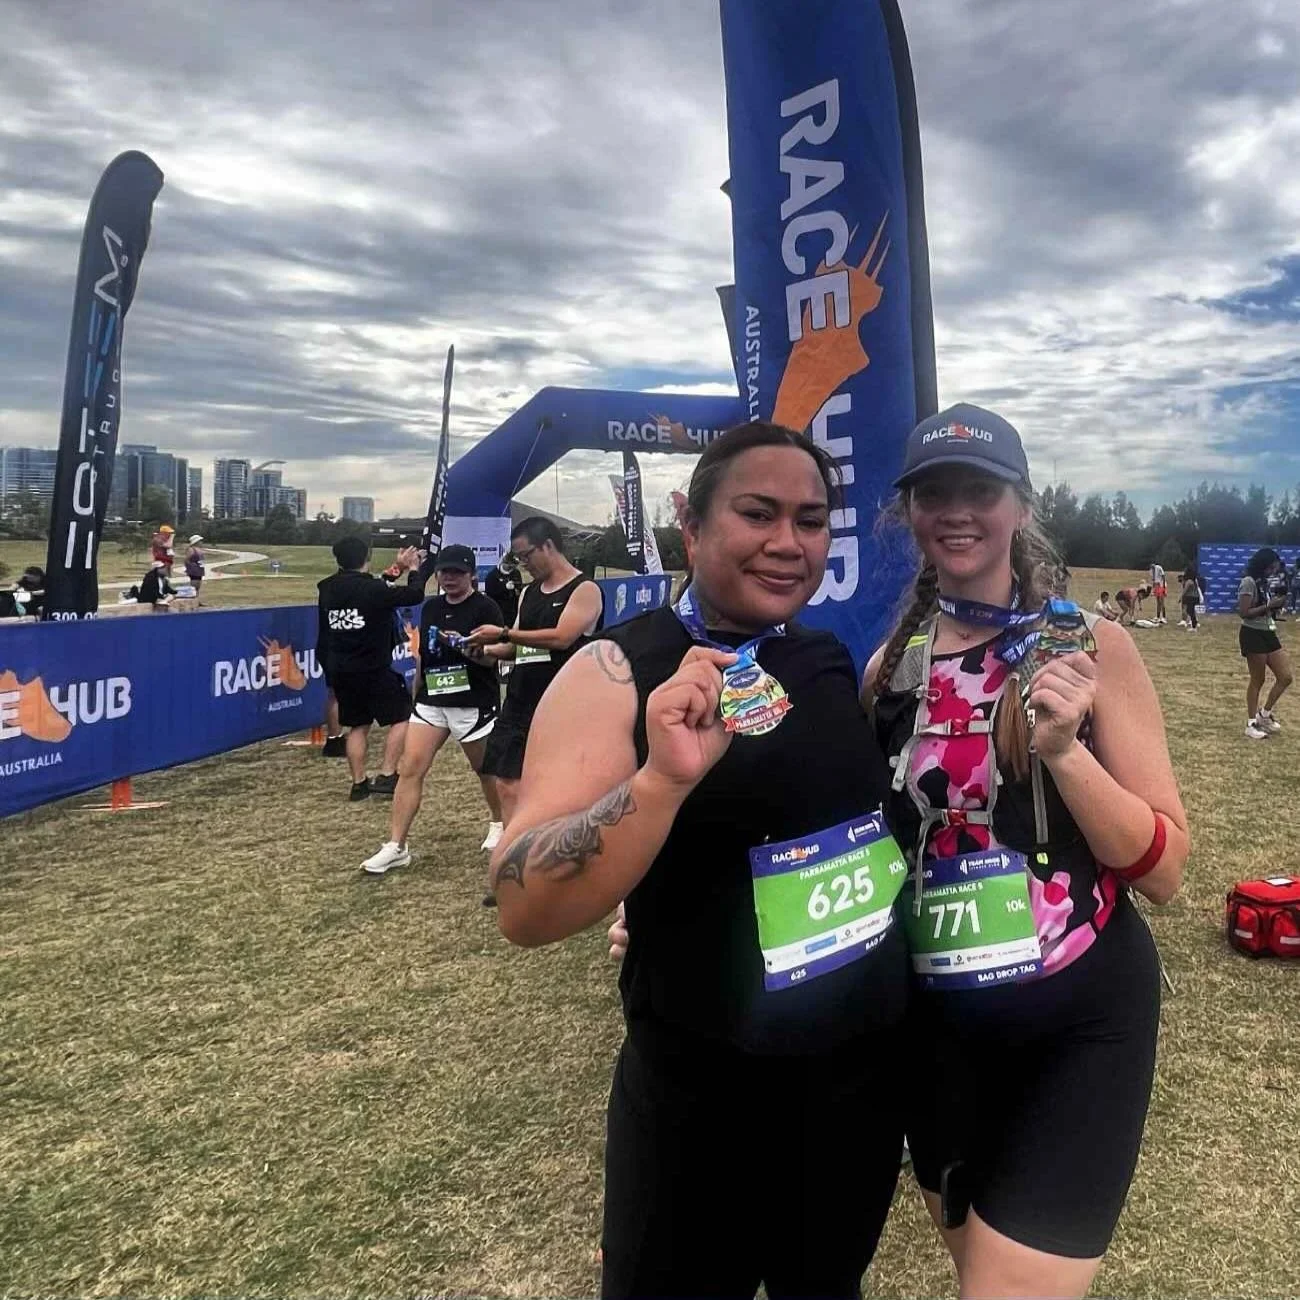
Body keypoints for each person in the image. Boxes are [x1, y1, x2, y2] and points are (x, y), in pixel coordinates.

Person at [489, 422, 911, 1299]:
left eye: (809, 520)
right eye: (758, 514)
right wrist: (659, 785)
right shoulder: (615, 669)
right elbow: (522, 904)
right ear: (690, 524)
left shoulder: (822, 657)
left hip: (854, 1091)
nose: (788, 542)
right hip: (700, 1100)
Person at [864, 403, 1188, 1300]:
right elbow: (865, 840)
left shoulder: (1091, 648)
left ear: (1021, 504)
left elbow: (1165, 868)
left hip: (1077, 1016)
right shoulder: (891, 667)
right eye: (934, 492)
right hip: (939, 1031)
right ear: (909, 511)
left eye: (980, 489)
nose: (956, 511)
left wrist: (1064, 753)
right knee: (980, 1274)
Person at [362, 545, 507, 876]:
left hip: (472, 702)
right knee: (410, 768)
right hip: (432, 701)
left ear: (472, 575)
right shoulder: (431, 607)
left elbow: (492, 659)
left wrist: (463, 645)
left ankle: (499, 822)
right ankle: (396, 846)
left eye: (457, 572)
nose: (449, 578)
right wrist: (416, 695)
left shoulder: (486, 608)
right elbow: (423, 657)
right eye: (444, 572)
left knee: (485, 770)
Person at [465, 517, 602, 823]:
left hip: (564, 704)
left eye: (526, 556)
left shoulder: (585, 589)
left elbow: (561, 637)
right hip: (520, 701)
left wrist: (503, 633)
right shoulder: (528, 592)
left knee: (561, 789)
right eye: (518, 558)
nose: (523, 564)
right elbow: (517, 645)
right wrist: (485, 651)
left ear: (548, 546)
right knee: (507, 783)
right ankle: (517, 845)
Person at [316, 536, 427, 800]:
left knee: (357, 726)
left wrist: (397, 568)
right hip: (374, 667)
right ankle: (387, 774)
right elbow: (414, 595)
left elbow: (375, 588)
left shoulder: (327, 588)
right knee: (401, 717)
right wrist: (413, 570)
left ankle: (358, 783)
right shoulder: (372, 590)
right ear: (367, 557)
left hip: (342, 668)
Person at [1238, 547, 1293, 740]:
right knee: (1258, 679)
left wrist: (1277, 605)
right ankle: (1251, 723)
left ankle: (1265, 714)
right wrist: (1268, 605)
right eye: (1271, 568)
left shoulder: (1263, 583)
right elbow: (1244, 612)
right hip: (1252, 633)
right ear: (1263, 565)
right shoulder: (1248, 582)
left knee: (1285, 677)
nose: (1272, 572)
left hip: (1268, 632)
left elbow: (1264, 609)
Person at [484, 553, 524, 628]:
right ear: (504, 562)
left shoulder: (516, 573)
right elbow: (489, 594)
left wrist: (517, 589)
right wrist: (504, 587)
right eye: (509, 566)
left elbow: (519, 588)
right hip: (499, 610)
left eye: (513, 567)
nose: (511, 569)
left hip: (513, 610)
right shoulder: (492, 576)